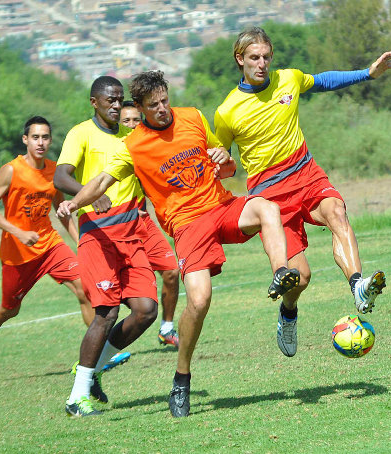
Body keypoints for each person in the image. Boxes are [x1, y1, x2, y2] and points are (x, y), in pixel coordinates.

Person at [56, 70, 301, 418]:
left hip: (220, 206)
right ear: (139, 109)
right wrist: (75, 202)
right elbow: (99, 183)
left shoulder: (193, 117)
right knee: (199, 302)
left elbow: (227, 166)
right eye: (153, 105)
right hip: (187, 226)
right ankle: (181, 377)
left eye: (165, 100)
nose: (163, 109)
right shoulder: (133, 146)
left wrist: (223, 161)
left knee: (267, 208)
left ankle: (281, 272)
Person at [214, 27, 391, 358]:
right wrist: (220, 167)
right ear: (240, 59)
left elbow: (324, 81)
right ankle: (288, 315)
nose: (262, 64)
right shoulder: (227, 112)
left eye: (267, 57)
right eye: (254, 58)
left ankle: (358, 287)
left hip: (306, 173)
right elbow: (225, 165)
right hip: (269, 195)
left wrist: (368, 74)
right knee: (300, 278)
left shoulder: (288, 79)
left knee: (336, 212)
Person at [54, 76, 158, 417]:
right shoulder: (81, 132)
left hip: (131, 235)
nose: (116, 104)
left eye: (119, 99)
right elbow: (61, 177)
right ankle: (76, 397)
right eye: (109, 99)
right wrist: (88, 193)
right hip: (98, 237)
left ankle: (92, 368)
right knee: (106, 312)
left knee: (145, 310)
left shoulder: (131, 139)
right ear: (94, 102)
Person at [0, 116, 96, 379]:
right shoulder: (10, 170)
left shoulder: (54, 169)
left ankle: (100, 352)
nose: (41, 142)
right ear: (25, 140)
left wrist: (82, 242)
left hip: (50, 244)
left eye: (45, 137)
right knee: (10, 310)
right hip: (18, 253)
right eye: (35, 137)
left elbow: (62, 211)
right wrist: (18, 232)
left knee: (86, 287)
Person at [120, 100, 181, 348]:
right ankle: (109, 342)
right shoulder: (117, 151)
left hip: (144, 222)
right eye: (127, 121)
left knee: (172, 270)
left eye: (136, 119)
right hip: (118, 227)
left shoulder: (145, 148)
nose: (133, 124)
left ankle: (166, 328)